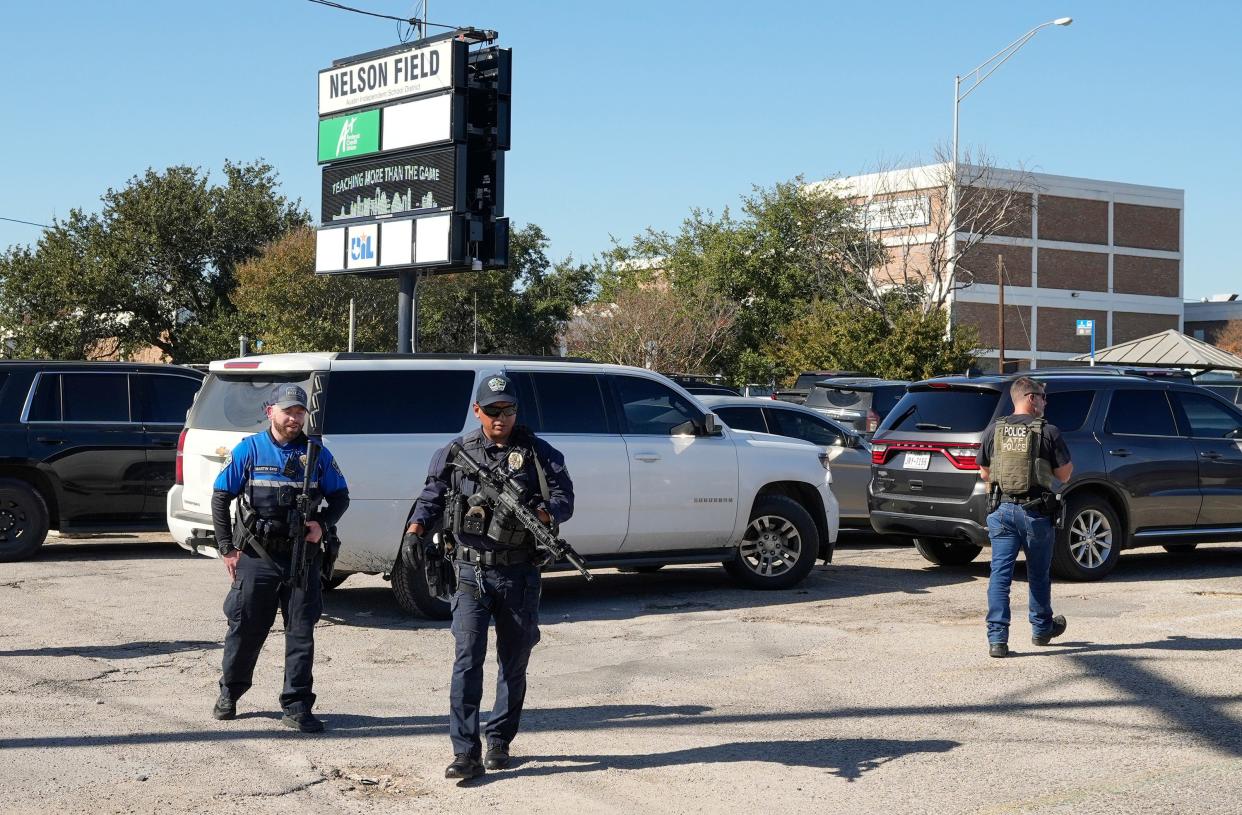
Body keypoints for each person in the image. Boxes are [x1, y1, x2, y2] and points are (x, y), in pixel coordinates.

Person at [405, 373, 574, 779]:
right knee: (467, 661)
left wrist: (542, 514)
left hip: (518, 573)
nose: (502, 417)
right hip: (469, 572)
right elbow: (431, 497)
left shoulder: (539, 453)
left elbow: (565, 499)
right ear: (477, 410)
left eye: (509, 409)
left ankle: (499, 739)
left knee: (514, 661)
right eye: (493, 409)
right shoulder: (455, 452)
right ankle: (465, 752)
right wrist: (414, 532)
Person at [210, 384, 350, 731]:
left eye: (300, 412)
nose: (294, 418)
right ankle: (230, 692)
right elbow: (220, 496)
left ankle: (297, 705)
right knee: (246, 629)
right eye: (288, 411)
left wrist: (321, 524)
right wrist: (227, 548)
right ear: (270, 410)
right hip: (258, 556)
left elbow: (341, 496)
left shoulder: (317, 454)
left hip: (303, 557)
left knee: (301, 633)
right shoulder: (250, 450)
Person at [977, 376, 1073, 658]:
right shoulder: (1049, 431)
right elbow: (1065, 475)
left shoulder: (994, 430)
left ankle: (997, 640)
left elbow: (984, 472)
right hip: (1036, 512)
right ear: (1030, 398)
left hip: (1001, 511)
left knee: (1000, 574)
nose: (1045, 401)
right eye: (1042, 396)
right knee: (1038, 574)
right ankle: (1042, 629)